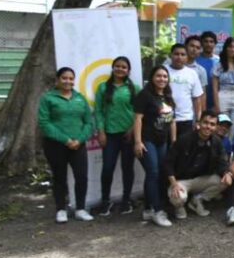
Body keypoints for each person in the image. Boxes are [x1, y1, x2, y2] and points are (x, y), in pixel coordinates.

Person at [38, 67, 95, 223]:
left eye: (71, 78)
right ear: (57, 80)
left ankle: (81, 209)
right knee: (59, 178)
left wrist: (79, 140)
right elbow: (44, 123)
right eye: (64, 78)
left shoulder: (79, 98)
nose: (68, 81)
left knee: (82, 176)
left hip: (78, 145)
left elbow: (89, 122)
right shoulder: (48, 98)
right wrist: (65, 140)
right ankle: (61, 209)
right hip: (55, 145)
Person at [163, 111, 232, 220]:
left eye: (212, 124)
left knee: (225, 181)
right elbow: (168, 162)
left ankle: (197, 200)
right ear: (198, 123)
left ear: (215, 127)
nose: (208, 127)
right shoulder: (184, 139)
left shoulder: (216, 142)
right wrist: (173, 183)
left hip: (201, 179)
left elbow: (222, 161)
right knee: (178, 197)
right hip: (181, 180)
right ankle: (179, 207)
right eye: (205, 122)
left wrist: (226, 173)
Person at [94, 56, 140, 217]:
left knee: (127, 168)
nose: (120, 69)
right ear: (113, 68)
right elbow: (98, 111)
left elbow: (138, 112)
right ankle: (105, 201)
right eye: (117, 66)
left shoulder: (134, 88)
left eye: (124, 67)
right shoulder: (102, 88)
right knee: (107, 168)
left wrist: (132, 130)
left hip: (128, 135)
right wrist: (101, 131)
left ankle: (126, 200)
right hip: (110, 134)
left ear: (128, 70)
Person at [133, 65, 176, 228]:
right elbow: (138, 119)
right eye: (159, 76)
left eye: (165, 76)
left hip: (162, 141)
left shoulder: (168, 96)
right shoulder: (144, 95)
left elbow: (172, 121)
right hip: (147, 140)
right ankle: (158, 211)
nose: (162, 79)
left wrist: (174, 142)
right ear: (152, 77)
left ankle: (148, 208)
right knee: (153, 172)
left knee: (157, 174)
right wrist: (138, 142)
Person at [165, 43, 203, 137]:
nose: (179, 57)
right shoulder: (163, 71)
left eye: (182, 54)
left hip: (186, 119)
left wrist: (198, 120)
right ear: (171, 55)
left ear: (187, 57)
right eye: (176, 54)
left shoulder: (192, 74)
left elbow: (197, 99)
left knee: (184, 150)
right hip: (165, 118)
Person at [183, 35, 208, 111]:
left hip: (192, 112)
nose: (194, 49)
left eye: (198, 48)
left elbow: (202, 95)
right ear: (185, 47)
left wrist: (202, 114)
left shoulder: (201, 71)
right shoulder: (171, 66)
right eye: (192, 46)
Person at [197, 31, 221, 110]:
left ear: (215, 44)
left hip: (216, 101)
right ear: (201, 43)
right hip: (199, 99)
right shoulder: (195, 60)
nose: (208, 44)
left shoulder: (219, 61)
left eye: (211, 42)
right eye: (206, 41)